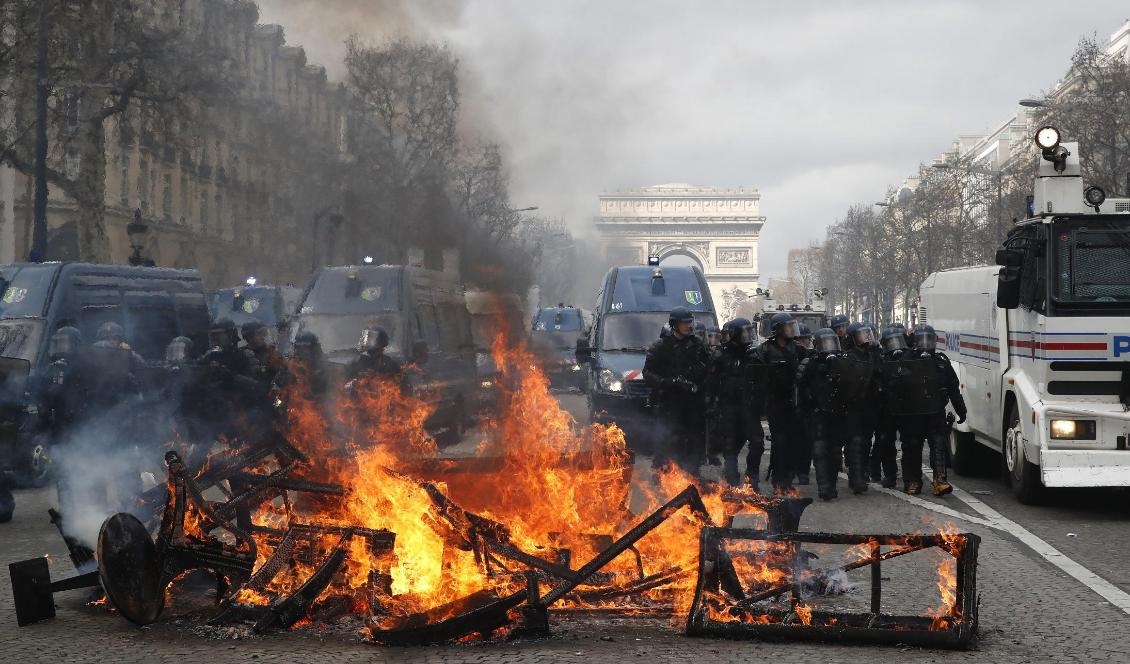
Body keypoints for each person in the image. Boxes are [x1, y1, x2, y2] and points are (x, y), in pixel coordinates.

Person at [879, 324, 968, 496]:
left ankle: (940, 480)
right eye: (921, 340)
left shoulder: (941, 362)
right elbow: (892, 386)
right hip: (911, 414)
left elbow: (953, 388)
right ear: (913, 341)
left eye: (929, 340)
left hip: (935, 412)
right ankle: (912, 481)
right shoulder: (904, 360)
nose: (926, 344)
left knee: (939, 446)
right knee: (912, 448)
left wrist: (961, 410)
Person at [796, 328, 869, 499]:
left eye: (832, 343)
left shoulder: (844, 360)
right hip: (818, 412)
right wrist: (802, 410)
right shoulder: (810, 363)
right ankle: (824, 486)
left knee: (836, 450)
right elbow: (799, 386)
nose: (830, 347)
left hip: (839, 412)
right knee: (820, 448)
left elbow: (855, 383)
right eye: (826, 343)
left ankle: (833, 484)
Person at [643, 307, 711, 477]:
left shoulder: (697, 345)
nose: (689, 326)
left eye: (690, 322)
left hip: (692, 402)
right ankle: (659, 473)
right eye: (685, 323)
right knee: (665, 438)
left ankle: (691, 474)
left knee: (693, 438)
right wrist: (667, 382)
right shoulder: (661, 346)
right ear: (675, 325)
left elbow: (707, 367)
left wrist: (693, 378)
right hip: (669, 401)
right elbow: (648, 373)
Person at [750, 312, 803, 494]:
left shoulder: (796, 349)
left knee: (793, 442)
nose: (791, 330)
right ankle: (778, 482)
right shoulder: (764, 350)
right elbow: (756, 376)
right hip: (775, 403)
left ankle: (787, 480)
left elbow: (810, 362)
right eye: (787, 327)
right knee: (779, 443)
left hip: (793, 402)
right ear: (778, 330)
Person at [711, 318, 763, 489]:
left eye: (750, 332)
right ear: (734, 335)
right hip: (729, 407)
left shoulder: (754, 355)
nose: (748, 337)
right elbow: (709, 381)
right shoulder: (721, 356)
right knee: (730, 445)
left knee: (757, 442)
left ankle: (752, 478)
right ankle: (731, 478)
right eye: (744, 333)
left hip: (749, 406)